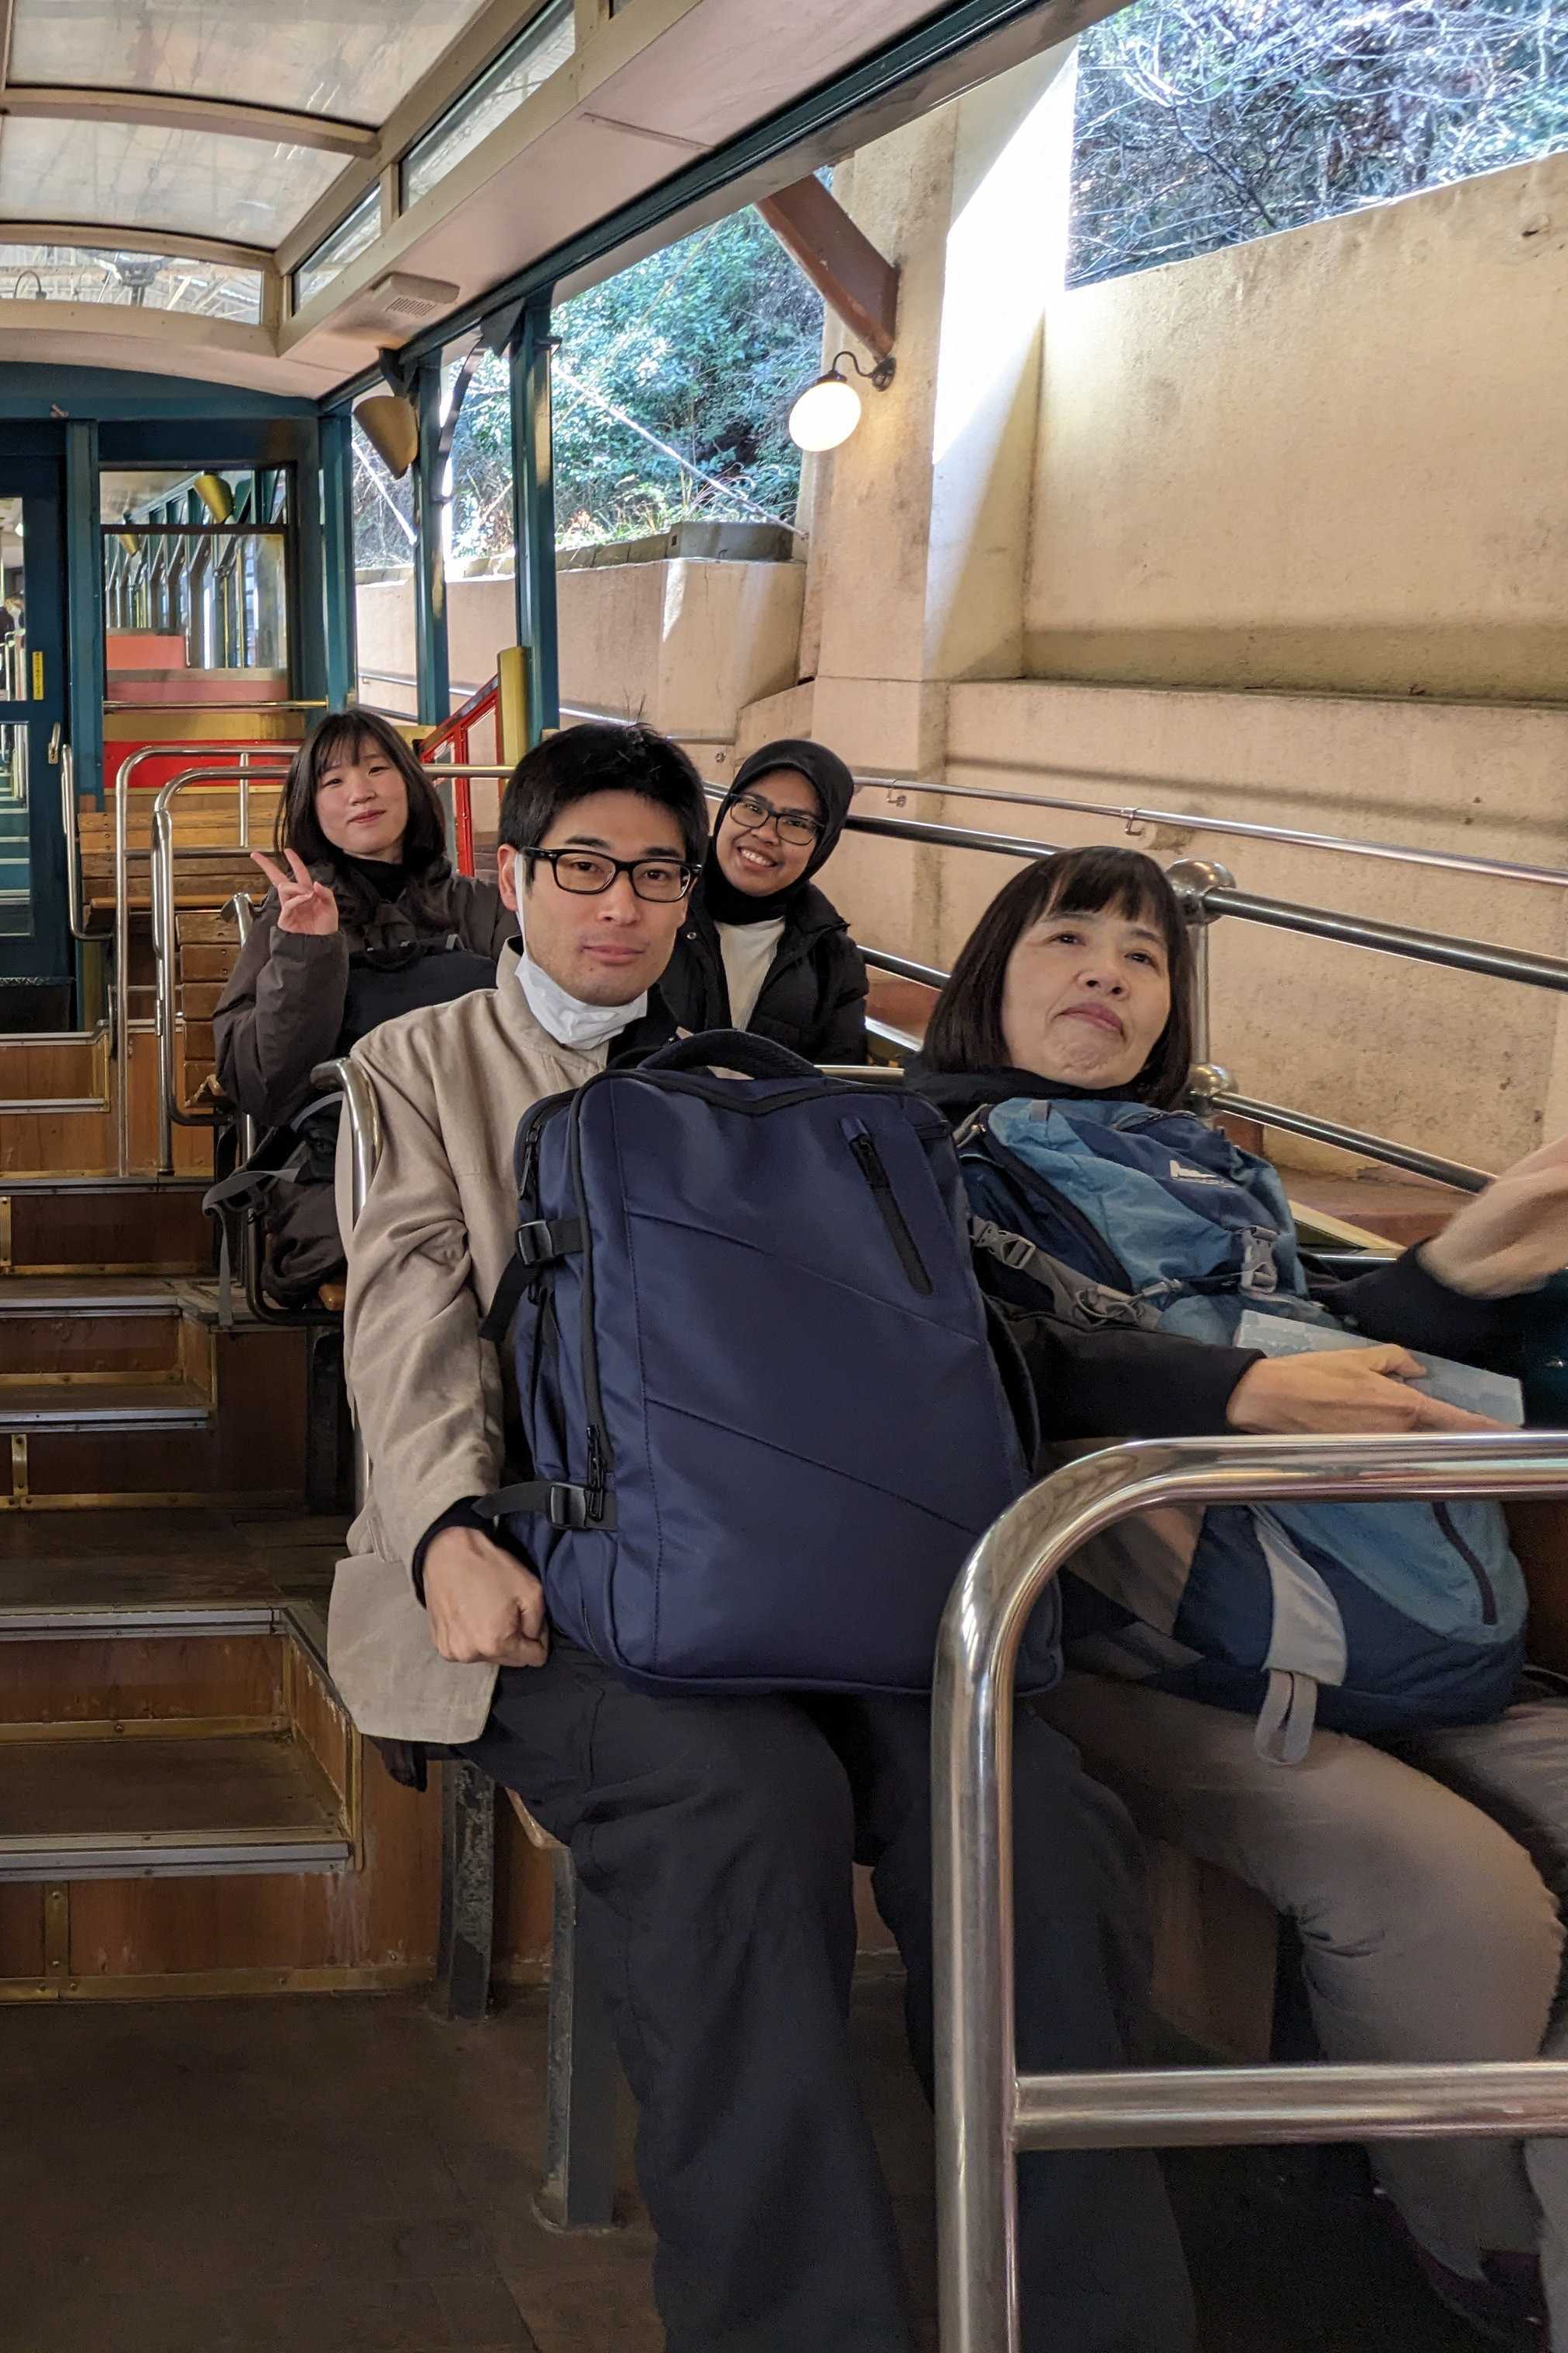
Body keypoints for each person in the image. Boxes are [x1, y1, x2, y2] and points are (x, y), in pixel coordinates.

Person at [330, 721, 1464, 2351]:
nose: (620, 904)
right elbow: (408, 1331)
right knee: (738, 1802)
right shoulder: (418, 1070)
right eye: (582, 867)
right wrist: (446, 1525)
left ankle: (1089, 2315)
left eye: (654, 872)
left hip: (787, 1564)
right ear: (513, 879)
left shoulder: (759, 1087)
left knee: (1021, 1810)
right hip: (536, 1575)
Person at [912, 844, 1568, 2344]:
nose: (1108, 968)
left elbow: (1302, 1341)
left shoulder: (1201, 1162)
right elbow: (981, 1368)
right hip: (1112, 1648)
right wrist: (1228, 1388)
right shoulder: (911, 1159)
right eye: (1068, 937)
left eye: (1144, 954)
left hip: (1371, 1615)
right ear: (986, 976)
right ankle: (1489, 2254)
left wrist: (1456, 1270)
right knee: (1445, 1889)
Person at [210, 711, 512, 1304]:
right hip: (351, 1168)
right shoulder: (289, 916)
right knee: (428, 1262)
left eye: (377, 769)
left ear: (410, 784)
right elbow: (263, 1083)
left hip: (485, 1154)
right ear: (313, 808)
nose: (361, 792)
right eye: (334, 781)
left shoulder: (482, 907)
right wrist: (307, 951)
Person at [653, 735, 870, 1063]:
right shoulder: (655, 896)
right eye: (753, 808)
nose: (766, 833)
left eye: (796, 823)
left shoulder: (831, 958)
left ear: (822, 845)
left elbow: (837, 1080)